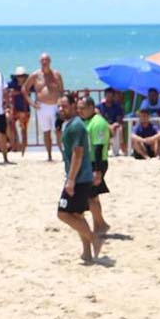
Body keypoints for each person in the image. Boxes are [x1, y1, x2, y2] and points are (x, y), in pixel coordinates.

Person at [56, 93, 97, 263]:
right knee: (77, 215)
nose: (61, 109)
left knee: (63, 214)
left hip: (79, 179)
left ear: (73, 106)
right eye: (59, 106)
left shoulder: (76, 126)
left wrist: (71, 180)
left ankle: (95, 239)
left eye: (64, 106)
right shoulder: (69, 125)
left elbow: (77, 155)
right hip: (80, 177)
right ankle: (87, 252)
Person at [21, 53, 65, 161]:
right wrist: (31, 103)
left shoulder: (56, 75)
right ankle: (49, 155)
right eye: (42, 60)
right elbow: (24, 88)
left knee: (58, 131)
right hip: (42, 107)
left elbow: (61, 90)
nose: (44, 62)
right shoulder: (35, 75)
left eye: (46, 60)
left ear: (50, 61)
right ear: (40, 62)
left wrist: (61, 104)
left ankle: (63, 154)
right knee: (46, 131)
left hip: (55, 105)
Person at [79, 96, 111, 242]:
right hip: (89, 162)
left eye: (83, 108)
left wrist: (97, 171)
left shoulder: (98, 123)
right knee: (93, 196)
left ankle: (101, 224)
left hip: (97, 163)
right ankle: (99, 225)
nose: (80, 111)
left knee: (89, 196)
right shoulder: (87, 121)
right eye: (78, 108)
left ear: (91, 107)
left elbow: (98, 147)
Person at [5, 66, 31, 155]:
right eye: (19, 76)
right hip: (15, 109)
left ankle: (23, 150)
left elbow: (36, 89)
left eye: (22, 76)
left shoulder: (29, 84)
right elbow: (4, 88)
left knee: (24, 130)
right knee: (8, 124)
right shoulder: (12, 83)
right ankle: (14, 146)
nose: (20, 78)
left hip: (25, 109)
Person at [98, 88, 125, 156]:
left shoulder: (117, 106)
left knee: (119, 129)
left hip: (114, 126)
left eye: (111, 96)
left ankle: (117, 150)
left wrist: (114, 125)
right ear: (105, 96)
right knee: (100, 128)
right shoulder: (100, 106)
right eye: (107, 96)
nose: (109, 98)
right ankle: (102, 150)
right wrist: (109, 126)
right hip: (104, 125)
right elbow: (99, 117)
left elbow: (119, 119)